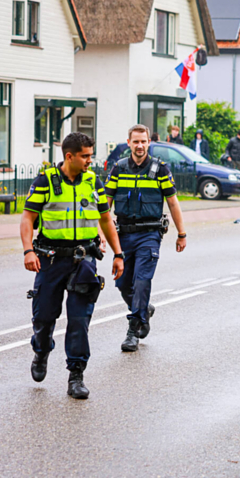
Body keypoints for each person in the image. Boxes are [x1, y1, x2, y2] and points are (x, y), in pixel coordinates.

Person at [21, 132, 124, 399]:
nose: (91, 160)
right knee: (44, 316)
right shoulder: (45, 181)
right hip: (51, 259)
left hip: (84, 260)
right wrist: (28, 251)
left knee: (79, 320)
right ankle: (41, 350)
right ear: (70, 156)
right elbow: (27, 219)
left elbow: (105, 220)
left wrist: (118, 254)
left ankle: (76, 375)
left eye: (91, 154)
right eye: (86, 156)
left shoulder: (93, 182)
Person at [104, 124, 188, 352]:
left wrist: (182, 234)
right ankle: (144, 309)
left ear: (148, 142)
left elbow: (172, 202)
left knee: (141, 281)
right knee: (122, 284)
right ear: (129, 142)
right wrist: (101, 235)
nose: (140, 146)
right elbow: (106, 204)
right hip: (124, 234)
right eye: (136, 141)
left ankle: (133, 331)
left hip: (149, 234)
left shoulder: (160, 169)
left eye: (143, 141)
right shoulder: (118, 169)